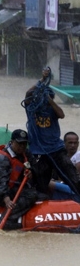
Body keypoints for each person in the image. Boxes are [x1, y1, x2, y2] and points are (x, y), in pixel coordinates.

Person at [23, 67, 80, 196]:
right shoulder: (31, 109)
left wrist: (49, 99)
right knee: (40, 184)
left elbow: (62, 114)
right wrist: (42, 79)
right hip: (39, 152)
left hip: (56, 150)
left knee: (73, 178)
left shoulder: (52, 110)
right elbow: (27, 94)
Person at [0, 129, 37, 230]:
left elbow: (34, 166)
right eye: (19, 144)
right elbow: (1, 182)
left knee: (38, 195)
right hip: (0, 192)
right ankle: (6, 220)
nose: (22, 146)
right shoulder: (2, 158)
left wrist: (31, 172)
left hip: (15, 186)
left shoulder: (25, 153)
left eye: (24, 144)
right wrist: (6, 199)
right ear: (12, 142)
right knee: (31, 196)